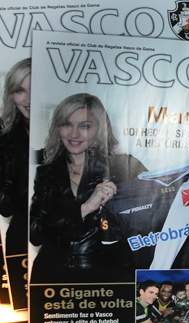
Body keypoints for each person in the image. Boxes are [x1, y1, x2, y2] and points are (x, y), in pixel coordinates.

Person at [29, 93, 147, 283]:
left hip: (108, 278)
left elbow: (152, 222)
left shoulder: (125, 167)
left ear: (100, 128)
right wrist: (85, 208)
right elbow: (35, 233)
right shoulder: (47, 172)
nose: (74, 134)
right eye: (66, 124)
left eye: (84, 126)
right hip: (52, 276)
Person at [0, 58, 32, 307]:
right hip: (23, 239)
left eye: (36, 88)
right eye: (20, 90)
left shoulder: (77, 131)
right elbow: (5, 205)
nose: (28, 98)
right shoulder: (4, 136)